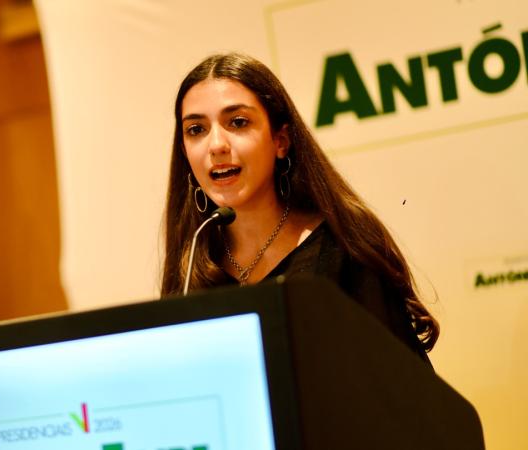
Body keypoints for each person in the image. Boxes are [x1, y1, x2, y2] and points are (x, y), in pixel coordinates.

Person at [161, 52, 438, 362]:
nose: (216, 145)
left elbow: (403, 382)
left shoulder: (346, 246)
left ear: (281, 140)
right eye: (196, 129)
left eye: (237, 122)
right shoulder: (192, 265)